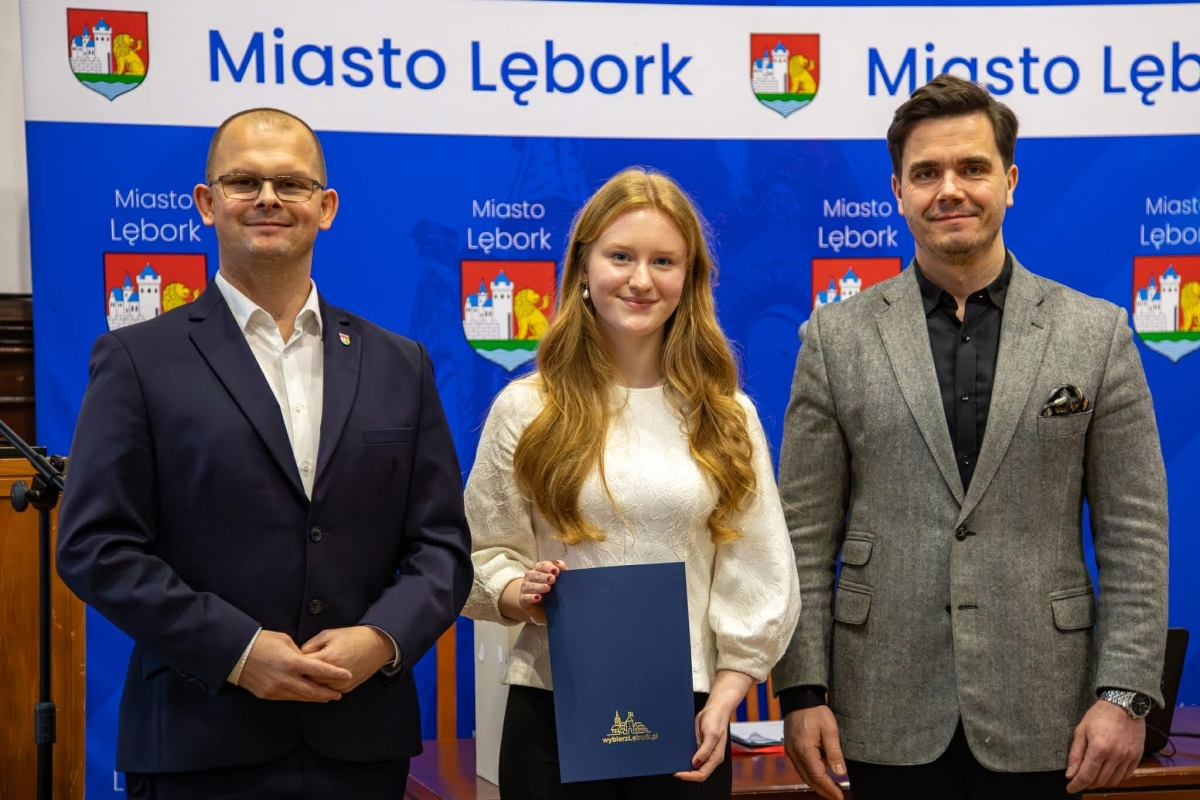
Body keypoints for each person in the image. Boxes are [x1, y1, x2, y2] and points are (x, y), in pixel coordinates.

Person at [771, 73, 1169, 800]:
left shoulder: (1097, 333)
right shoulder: (834, 339)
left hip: (1047, 710)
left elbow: (1135, 533)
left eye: (972, 168)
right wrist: (801, 691)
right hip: (881, 708)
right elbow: (801, 535)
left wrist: (1124, 694)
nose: (949, 189)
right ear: (898, 191)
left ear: (1009, 182)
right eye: (926, 173)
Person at [56, 107, 473, 800]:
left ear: (326, 207)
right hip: (199, 740)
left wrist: (380, 638)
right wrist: (239, 651)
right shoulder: (136, 360)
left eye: (291, 183)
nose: (269, 199)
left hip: (360, 741)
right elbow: (94, 546)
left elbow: (443, 547)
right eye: (244, 182)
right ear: (207, 202)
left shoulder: (401, 364)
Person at [463, 167, 801, 799]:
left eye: (663, 261)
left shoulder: (727, 416)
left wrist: (728, 695)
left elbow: (758, 566)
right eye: (620, 256)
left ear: (689, 280)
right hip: (552, 709)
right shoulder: (526, 409)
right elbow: (482, 553)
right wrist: (517, 592)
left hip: (690, 717)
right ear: (583, 268)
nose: (641, 279)